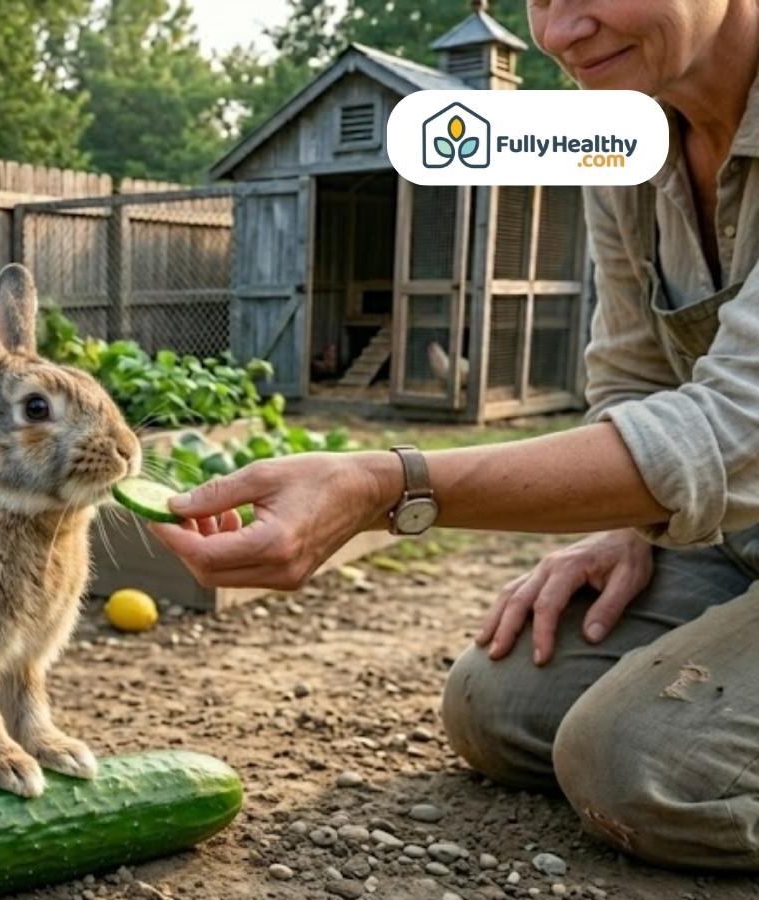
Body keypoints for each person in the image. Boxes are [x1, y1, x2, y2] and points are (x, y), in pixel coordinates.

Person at [150, 0, 759, 870]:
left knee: (639, 768)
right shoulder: (619, 128)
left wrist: (382, 486)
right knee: (497, 705)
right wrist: (622, 523)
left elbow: (736, 423)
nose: (555, 34)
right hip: (735, 537)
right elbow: (631, 373)